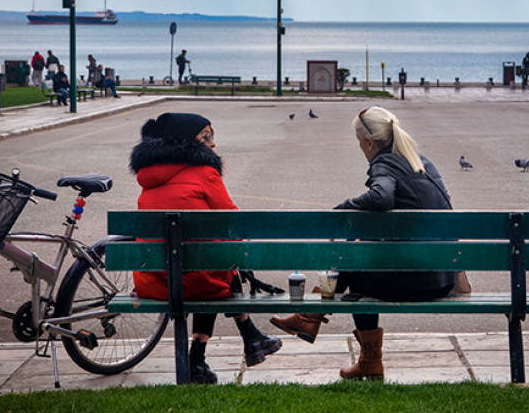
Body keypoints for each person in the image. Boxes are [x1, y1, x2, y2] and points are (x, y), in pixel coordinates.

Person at [270, 106, 456, 381]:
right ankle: (310, 317)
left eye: (360, 143)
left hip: (414, 283)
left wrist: (346, 207)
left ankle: (361, 354)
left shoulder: (386, 163)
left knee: (355, 267)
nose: (361, 149)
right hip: (443, 278)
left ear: (369, 142)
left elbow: (381, 198)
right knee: (357, 244)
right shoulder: (421, 162)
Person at [129, 112, 282, 384]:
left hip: (152, 280)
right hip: (194, 280)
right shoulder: (204, 172)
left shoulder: (147, 177)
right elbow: (231, 223)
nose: (212, 144)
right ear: (188, 141)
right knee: (213, 264)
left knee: (202, 264)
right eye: (206, 137)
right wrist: (235, 256)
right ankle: (209, 354)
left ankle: (248, 340)